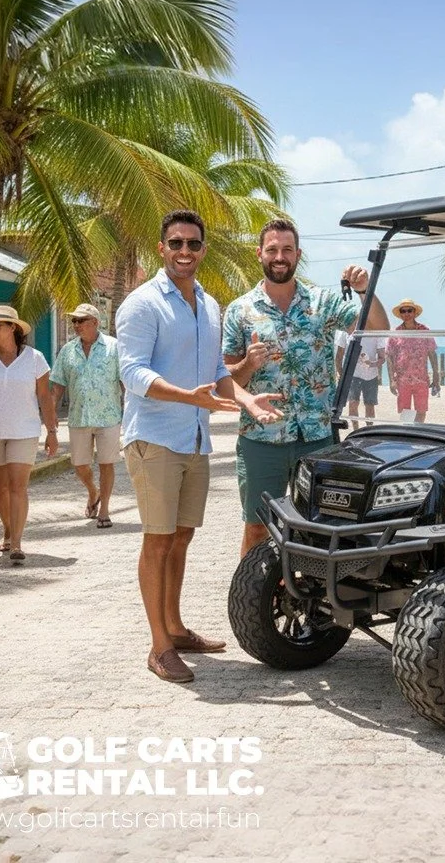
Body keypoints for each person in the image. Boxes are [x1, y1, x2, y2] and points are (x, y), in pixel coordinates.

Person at [117, 210, 283, 684]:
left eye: (193, 244)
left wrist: (247, 400)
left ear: (203, 250)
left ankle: (175, 628)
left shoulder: (209, 306)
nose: (184, 251)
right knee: (158, 538)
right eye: (176, 243)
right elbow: (132, 372)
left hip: (194, 437)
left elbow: (215, 373)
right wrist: (187, 397)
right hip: (154, 437)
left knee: (182, 535)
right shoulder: (142, 303)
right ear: (161, 248)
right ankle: (160, 647)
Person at [223, 218, 389, 558]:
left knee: (318, 527)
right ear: (259, 253)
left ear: (298, 255)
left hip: (317, 438)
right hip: (261, 439)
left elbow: (378, 327)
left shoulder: (322, 302)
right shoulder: (240, 310)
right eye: (272, 249)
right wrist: (248, 364)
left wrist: (364, 289)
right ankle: (253, 590)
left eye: (287, 250)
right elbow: (226, 381)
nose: (279, 257)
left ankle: (304, 590)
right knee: (257, 526)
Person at [0, 305, 59, 564]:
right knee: (0, 488)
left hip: (25, 430)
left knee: (18, 487)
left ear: (13, 328)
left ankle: (17, 543)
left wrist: (52, 431)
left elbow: (44, 397)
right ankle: (8, 530)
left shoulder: (35, 358)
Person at [50, 303, 122, 528]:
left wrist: (132, 412)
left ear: (95, 322)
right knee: (80, 465)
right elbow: (57, 385)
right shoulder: (67, 350)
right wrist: (51, 414)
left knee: (106, 463)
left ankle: (105, 510)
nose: (76, 324)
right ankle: (93, 492)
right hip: (78, 417)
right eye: (74, 320)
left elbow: (124, 382)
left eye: (81, 320)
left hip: (109, 417)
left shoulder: (114, 347)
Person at [387, 299, 439, 423]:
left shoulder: (424, 331)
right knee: (406, 413)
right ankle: (407, 433)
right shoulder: (395, 333)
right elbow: (389, 357)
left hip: (421, 379)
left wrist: (436, 375)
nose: (406, 313)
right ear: (400, 314)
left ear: (415, 312)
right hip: (402, 380)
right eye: (403, 311)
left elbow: (432, 353)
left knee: (421, 411)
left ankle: (418, 433)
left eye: (409, 310)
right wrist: (391, 380)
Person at [334, 328, 386, 430]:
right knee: (353, 403)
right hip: (352, 374)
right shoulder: (345, 330)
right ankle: (356, 431)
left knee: (370, 405)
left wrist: (372, 364)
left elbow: (382, 358)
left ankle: (369, 431)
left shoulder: (376, 331)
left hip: (371, 375)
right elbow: (338, 356)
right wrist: (342, 376)